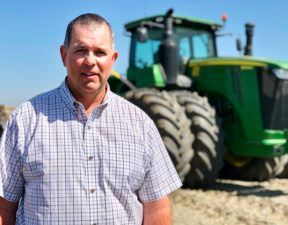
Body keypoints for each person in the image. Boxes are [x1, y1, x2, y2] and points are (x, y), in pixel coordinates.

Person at [0, 13, 182, 225]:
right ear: (64, 55)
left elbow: (157, 208)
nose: (90, 61)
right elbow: (4, 206)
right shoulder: (26, 120)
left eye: (100, 52)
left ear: (113, 59)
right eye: (81, 50)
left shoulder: (140, 124)